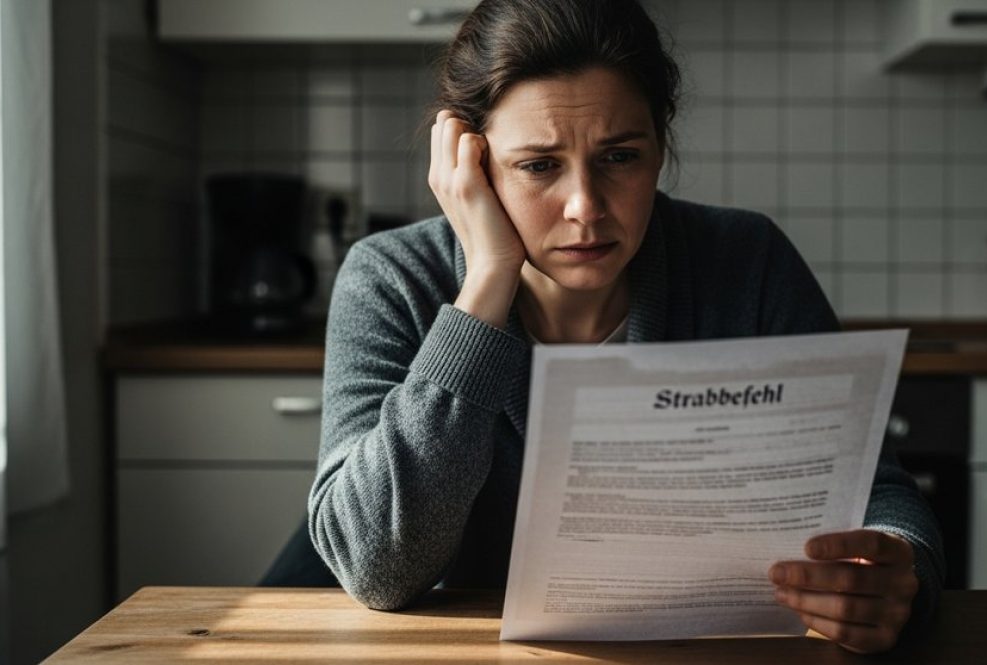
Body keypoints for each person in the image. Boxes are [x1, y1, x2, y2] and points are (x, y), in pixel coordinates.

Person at [308, 0, 944, 654]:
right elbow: (375, 568)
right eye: (539, 165)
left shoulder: (748, 261)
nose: (586, 208)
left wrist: (897, 570)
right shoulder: (389, 277)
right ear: (471, 165)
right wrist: (487, 281)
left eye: (619, 157)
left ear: (660, 148)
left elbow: (880, 496)